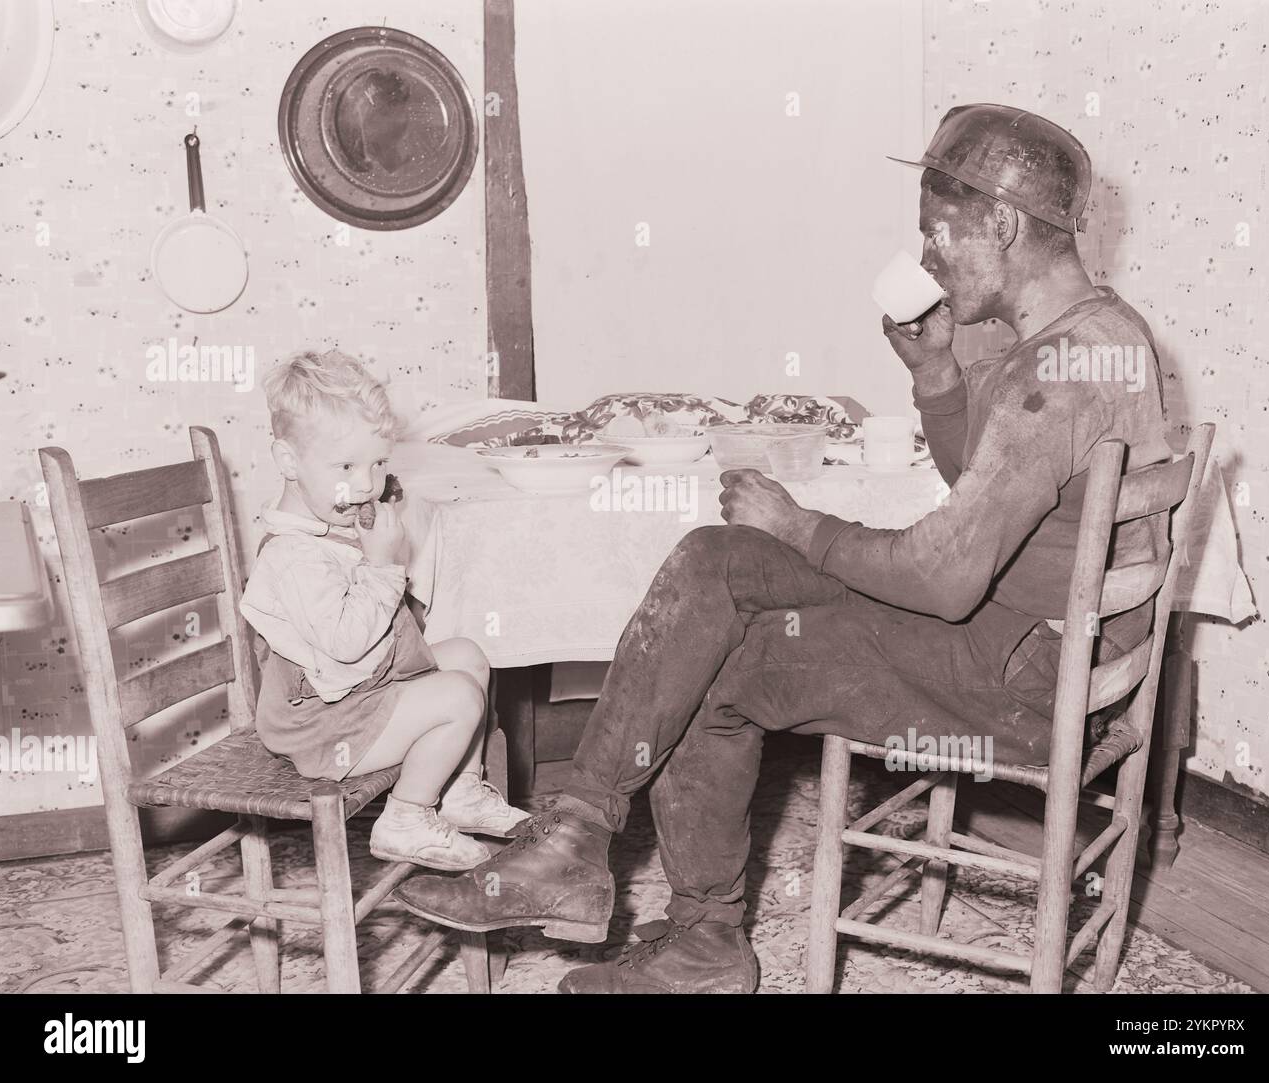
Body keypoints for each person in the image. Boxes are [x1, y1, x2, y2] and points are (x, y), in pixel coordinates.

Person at [395, 104, 1173, 992]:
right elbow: (999, 506)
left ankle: (697, 938)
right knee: (719, 556)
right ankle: (580, 838)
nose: (926, 258)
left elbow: (947, 577)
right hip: (1029, 640)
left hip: (1018, 678)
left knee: (719, 667)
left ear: (1000, 221)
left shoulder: (1050, 370)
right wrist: (935, 376)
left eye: (937, 232)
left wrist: (800, 524)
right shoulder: (1102, 338)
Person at [241, 349, 527, 871]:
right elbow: (349, 642)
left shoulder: (327, 526)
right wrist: (381, 568)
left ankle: (459, 791)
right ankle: (405, 818)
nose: (367, 484)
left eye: (376, 464)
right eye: (346, 466)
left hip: (359, 693)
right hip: (323, 726)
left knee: (468, 655)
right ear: (287, 461)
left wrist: (376, 550)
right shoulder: (291, 556)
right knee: (459, 697)